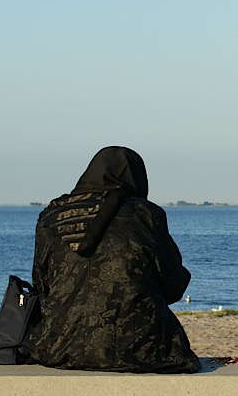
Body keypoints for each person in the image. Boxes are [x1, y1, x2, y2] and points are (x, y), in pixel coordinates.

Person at [22, 146, 200, 373]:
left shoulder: (53, 215)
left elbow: (42, 282)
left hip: (59, 345)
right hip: (139, 348)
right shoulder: (144, 214)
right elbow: (173, 285)